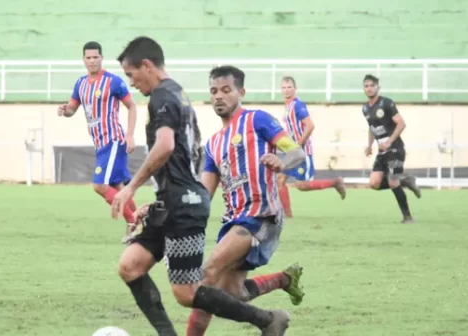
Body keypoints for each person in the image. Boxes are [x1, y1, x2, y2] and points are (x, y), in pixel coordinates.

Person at [111, 36, 293, 336]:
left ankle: (266, 320)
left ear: (147, 66)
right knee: (131, 266)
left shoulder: (164, 97)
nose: (131, 84)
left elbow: (166, 146)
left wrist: (130, 187)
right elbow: (192, 173)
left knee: (192, 287)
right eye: (214, 91)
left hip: (220, 211)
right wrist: (158, 202)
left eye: (131, 75)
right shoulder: (186, 105)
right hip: (180, 203)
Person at [182, 66, 307, 336]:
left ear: (241, 92)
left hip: (260, 217)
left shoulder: (257, 120)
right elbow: (203, 194)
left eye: (226, 90)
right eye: (214, 91)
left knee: (207, 276)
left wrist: (281, 162)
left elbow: (296, 152)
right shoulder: (213, 144)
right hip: (234, 221)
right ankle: (282, 284)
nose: (219, 96)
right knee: (233, 294)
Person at [57, 41, 138, 242]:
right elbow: (72, 109)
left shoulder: (113, 82)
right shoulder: (81, 84)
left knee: (99, 185)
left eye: (95, 57)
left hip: (113, 141)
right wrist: (64, 110)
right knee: (118, 187)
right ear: (83, 59)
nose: (92, 61)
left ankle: (133, 224)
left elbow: (132, 106)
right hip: (100, 145)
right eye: (88, 57)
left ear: (102, 58)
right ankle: (145, 222)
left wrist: (129, 134)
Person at [278, 76, 346, 218]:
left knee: (301, 186)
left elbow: (310, 126)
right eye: (283, 87)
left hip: (301, 151)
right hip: (291, 150)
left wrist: (299, 143)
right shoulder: (287, 106)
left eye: (289, 87)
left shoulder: (297, 105)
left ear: (295, 89)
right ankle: (288, 215)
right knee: (279, 179)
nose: (286, 90)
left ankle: (335, 182)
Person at [362, 74, 422, 223]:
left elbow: (401, 123)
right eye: (366, 86)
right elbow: (372, 127)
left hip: (395, 148)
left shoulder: (387, 103)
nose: (369, 88)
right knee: (374, 183)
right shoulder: (365, 108)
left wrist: (389, 141)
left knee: (393, 182)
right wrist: (369, 145)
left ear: (378, 87)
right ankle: (406, 181)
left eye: (371, 85)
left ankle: (408, 217)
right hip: (382, 152)